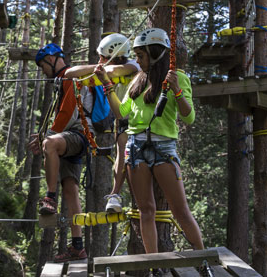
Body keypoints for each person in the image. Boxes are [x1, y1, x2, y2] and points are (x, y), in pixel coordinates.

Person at [94, 28, 205, 254]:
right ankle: (153, 264)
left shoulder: (178, 78)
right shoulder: (138, 81)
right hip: (136, 148)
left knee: (180, 210)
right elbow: (120, 112)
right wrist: (106, 84)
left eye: (141, 55)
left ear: (155, 54)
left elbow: (189, 116)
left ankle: (203, 258)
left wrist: (177, 91)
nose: (137, 60)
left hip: (163, 148)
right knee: (145, 210)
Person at [28, 43, 93, 262]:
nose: (42, 71)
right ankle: (78, 246)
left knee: (51, 144)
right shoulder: (62, 80)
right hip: (70, 137)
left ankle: (49, 197)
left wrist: (47, 138)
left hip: (77, 135)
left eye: (42, 65)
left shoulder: (70, 76)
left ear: (52, 59)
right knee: (71, 190)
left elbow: (67, 111)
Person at [64, 32, 141, 213]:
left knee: (125, 152)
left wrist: (101, 69)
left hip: (139, 121)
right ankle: (115, 194)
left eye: (102, 56)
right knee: (122, 151)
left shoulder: (134, 65)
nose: (99, 59)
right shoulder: (105, 68)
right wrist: (98, 67)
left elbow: (115, 71)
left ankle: (119, 194)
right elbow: (69, 73)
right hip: (123, 120)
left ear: (111, 56)